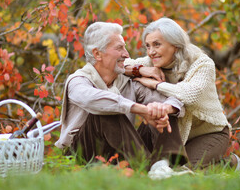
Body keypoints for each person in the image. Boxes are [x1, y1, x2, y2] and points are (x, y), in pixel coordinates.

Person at [55, 22, 193, 179]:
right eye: (119, 48)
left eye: (125, 47)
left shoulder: (127, 82)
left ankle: (161, 167)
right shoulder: (78, 81)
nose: (127, 54)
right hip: (84, 153)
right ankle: (146, 169)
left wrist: (163, 109)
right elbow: (93, 100)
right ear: (98, 54)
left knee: (161, 109)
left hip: (119, 151)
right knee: (106, 111)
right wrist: (140, 110)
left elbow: (171, 100)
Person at [124, 17, 233, 169]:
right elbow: (119, 66)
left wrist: (157, 85)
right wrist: (140, 70)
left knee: (182, 173)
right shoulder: (151, 62)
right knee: (144, 170)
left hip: (208, 133)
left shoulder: (202, 63)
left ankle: (228, 165)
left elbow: (189, 94)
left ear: (175, 45)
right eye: (148, 46)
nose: (151, 52)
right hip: (174, 133)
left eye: (157, 44)